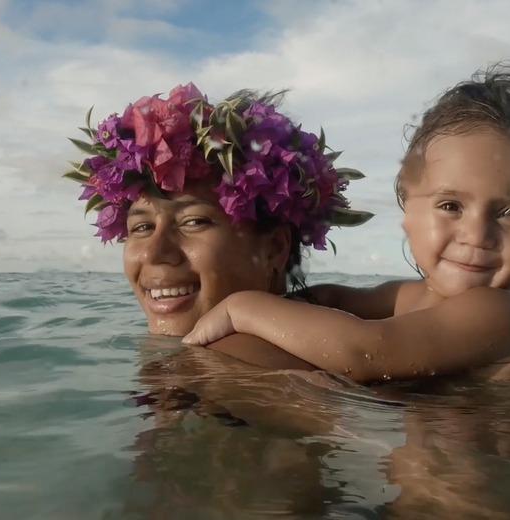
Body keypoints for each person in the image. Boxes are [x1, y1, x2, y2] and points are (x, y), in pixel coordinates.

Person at [182, 65, 510, 384]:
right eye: (451, 206)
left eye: (509, 214)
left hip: (475, 482)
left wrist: (241, 307)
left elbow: (366, 352)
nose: (477, 235)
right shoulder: (410, 296)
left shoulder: (501, 314)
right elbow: (335, 300)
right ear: (408, 210)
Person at [64, 82, 373, 371]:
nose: (155, 253)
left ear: (274, 248)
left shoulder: (225, 365)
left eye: (194, 221)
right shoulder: (335, 316)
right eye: (142, 227)